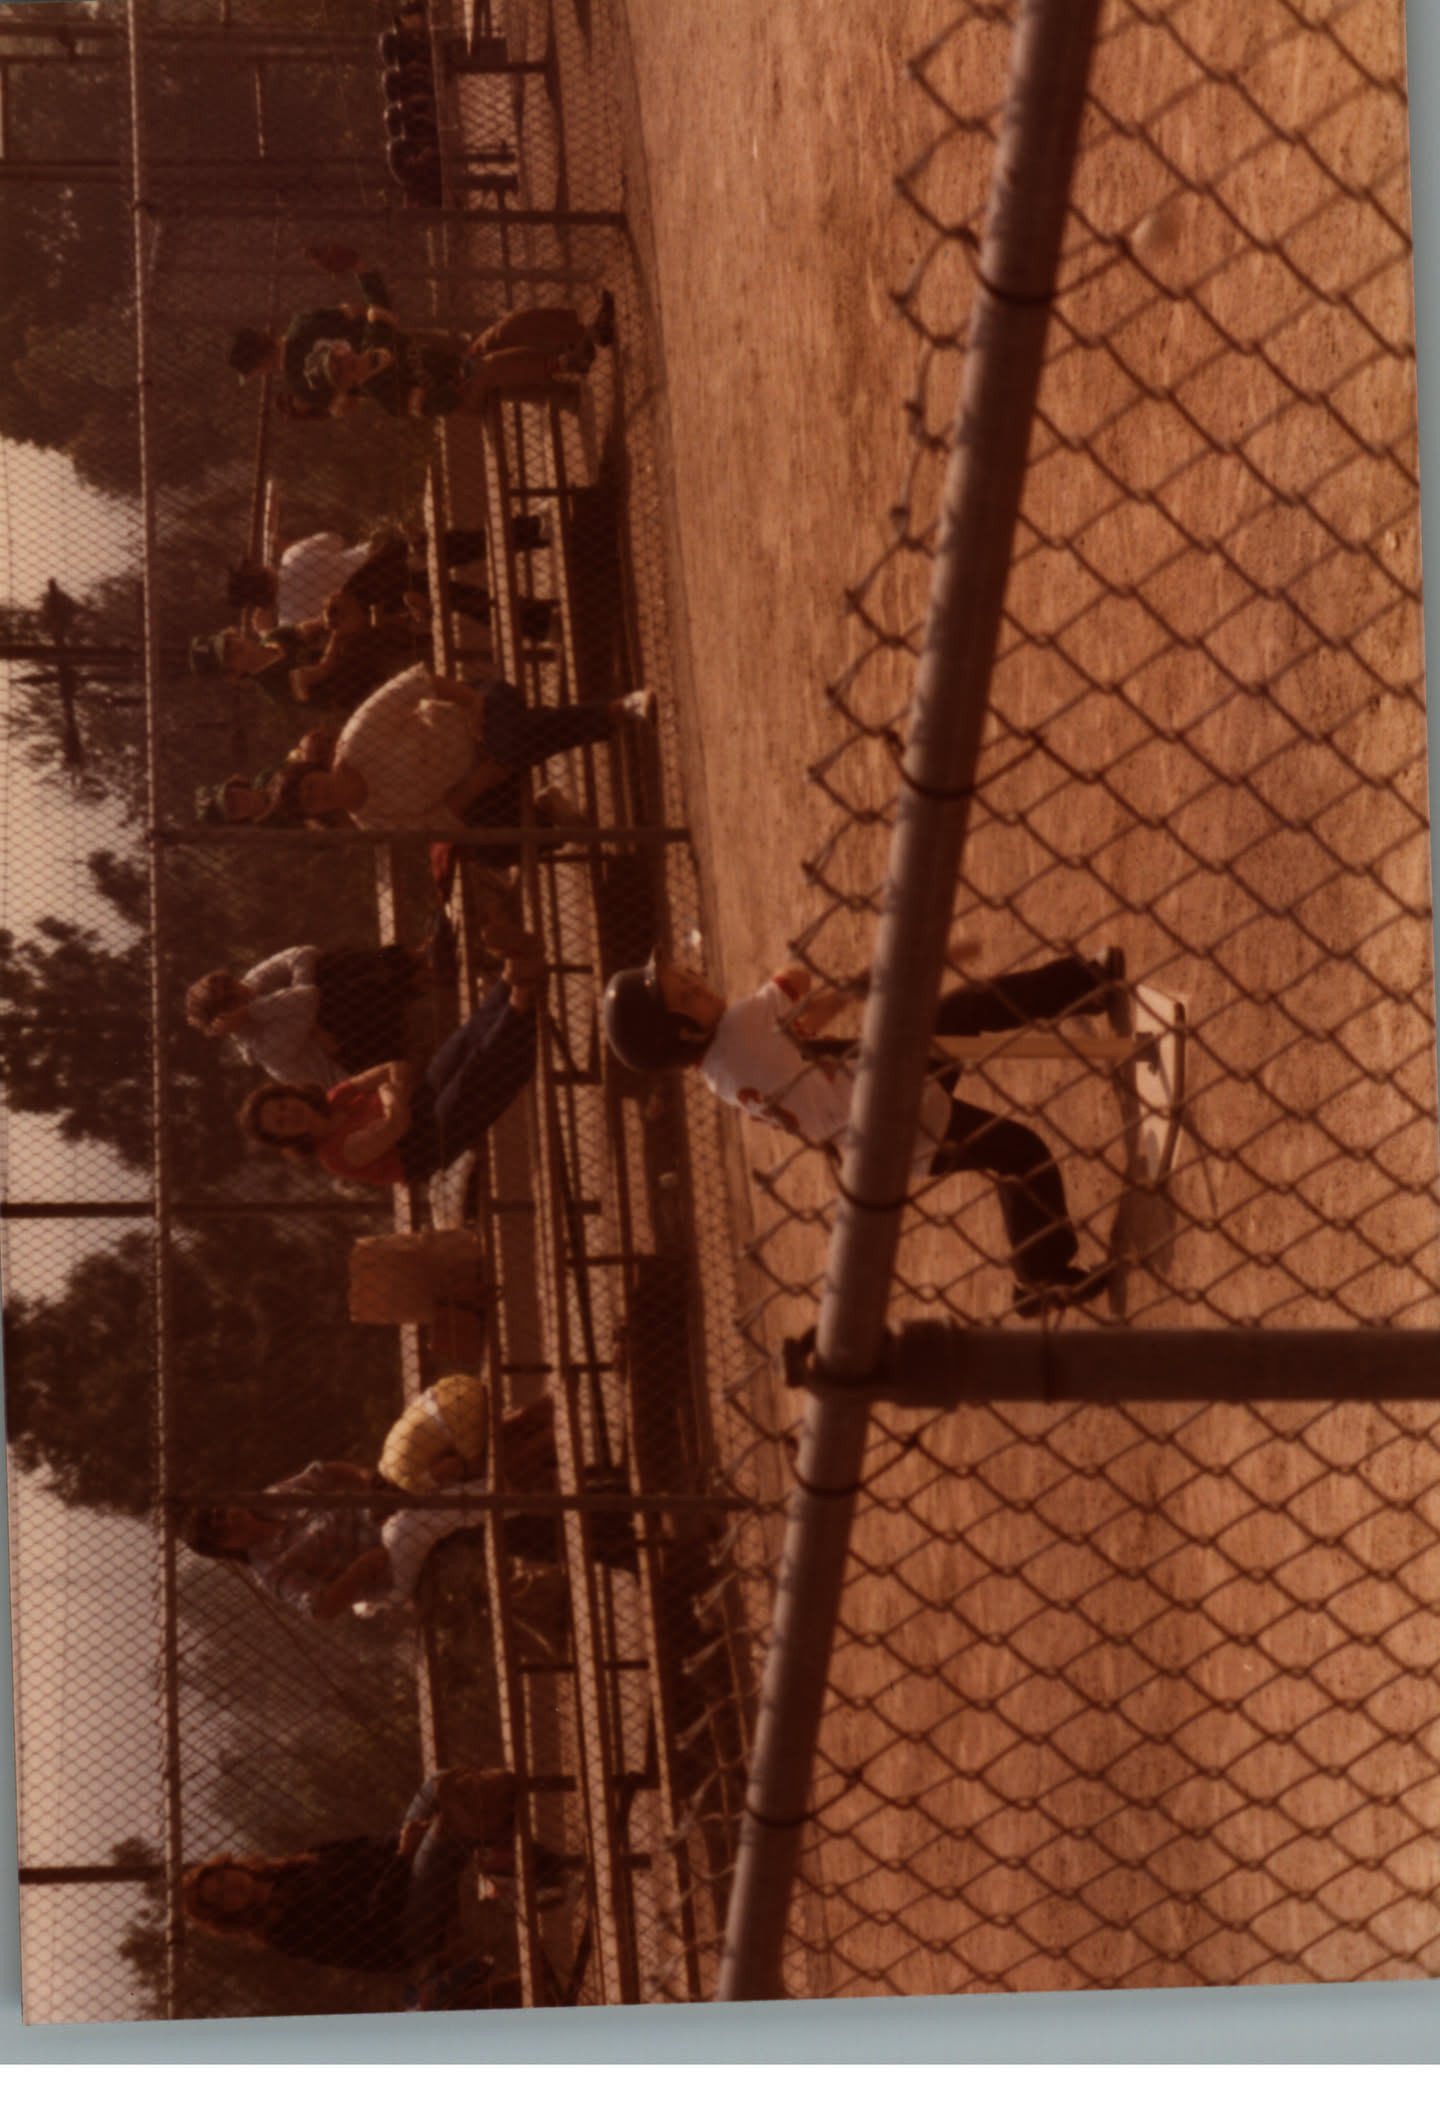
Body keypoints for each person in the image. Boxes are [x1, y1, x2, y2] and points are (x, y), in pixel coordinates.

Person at [601, 949, 1129, 1316]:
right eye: (686, 995)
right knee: (1019, 1148)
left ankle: (1081, 985)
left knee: (964, 1020)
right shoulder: (740, 1029)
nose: (696, 981)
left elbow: (806, 1022)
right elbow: (796, 980)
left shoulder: (720, 1071)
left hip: (879, 1122)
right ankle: (1040, 1275)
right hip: (897, 1111)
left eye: (685, 977)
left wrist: (859, 983)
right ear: (683, 1034)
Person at [236, 915, 548, 1190]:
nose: (289, 1114)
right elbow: (397, 1124)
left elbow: (397, 1070)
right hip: (428, 1145)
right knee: (472, 1075)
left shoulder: (334, 1099)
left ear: (289, 1095)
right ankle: (522, 993)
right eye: (281, 1123)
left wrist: (391, 1096)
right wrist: (391, 1095)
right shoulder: (335, 1155)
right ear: (287, 1139)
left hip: (419, 1103)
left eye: (282, 1105)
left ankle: (513, 975)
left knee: (460, 1046)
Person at [181, 1766, 531, 1976]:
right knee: (443, 1835)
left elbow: (368, 1845)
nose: (230, 1889)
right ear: (228, 1915)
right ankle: (525, 1857)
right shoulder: (283, 1930)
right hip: (405, 1934)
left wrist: (404, 1837)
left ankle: (513, 1853)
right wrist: (405, 1855)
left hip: (403, 1873)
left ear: (231, 1867)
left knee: (436, 1787)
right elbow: (375, 1920)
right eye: (221, 1898)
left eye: (222, 1879)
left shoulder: (297, 1865)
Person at [262, 663, 655, 836]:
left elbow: (420, 683)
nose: (316, 795)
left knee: (511, 740)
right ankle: (549, 814)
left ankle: (620, 709)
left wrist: (474, 708)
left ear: (314, 770)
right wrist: (481, 780)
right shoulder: (372, 821)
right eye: (309, 803)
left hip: (478, 710)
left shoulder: (357, 737)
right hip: (479, 778)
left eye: (309, 786)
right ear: (316, 815)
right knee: (494, 848)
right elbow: (440, 819)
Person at [185, 943, 428, 1088]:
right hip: (354, 1067)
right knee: (330, 1001)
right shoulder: (261, 1049)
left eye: (228, 982)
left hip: (337, 1038)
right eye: (229, 1000)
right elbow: (309, 999)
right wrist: (252, 1011)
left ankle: (414, 955)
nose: (238, 990)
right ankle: (418, 982)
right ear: (226, 1020)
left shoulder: (252, 983)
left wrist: (307, 1010)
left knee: (326, 966)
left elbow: (304, 953)